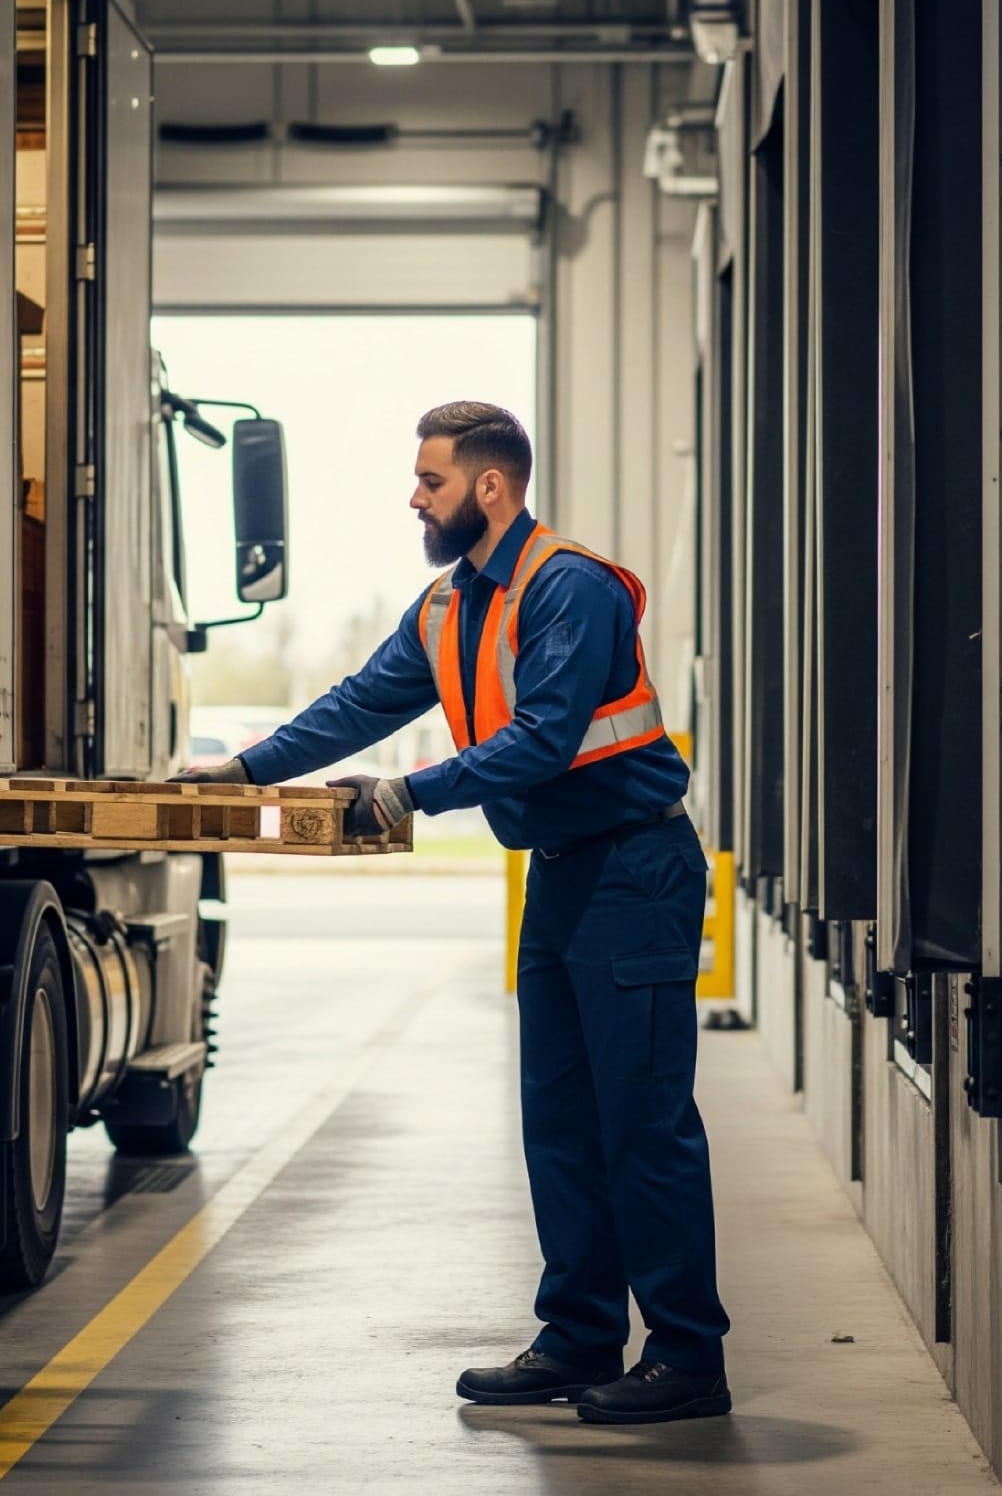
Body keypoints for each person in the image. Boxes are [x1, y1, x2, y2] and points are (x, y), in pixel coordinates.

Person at [175, 401, 730, 1425]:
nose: (414, 498)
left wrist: (408, 792)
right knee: (559, 1120)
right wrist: (245, 771)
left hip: (634, 869)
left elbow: (545, 738)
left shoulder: (568, 587)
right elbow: (360, 703)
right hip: (562, 873)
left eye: (430, 481)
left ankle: (688, 1357)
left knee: (641, 1122)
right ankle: (579, 1336)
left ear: (490, 486)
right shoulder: (446, 605)